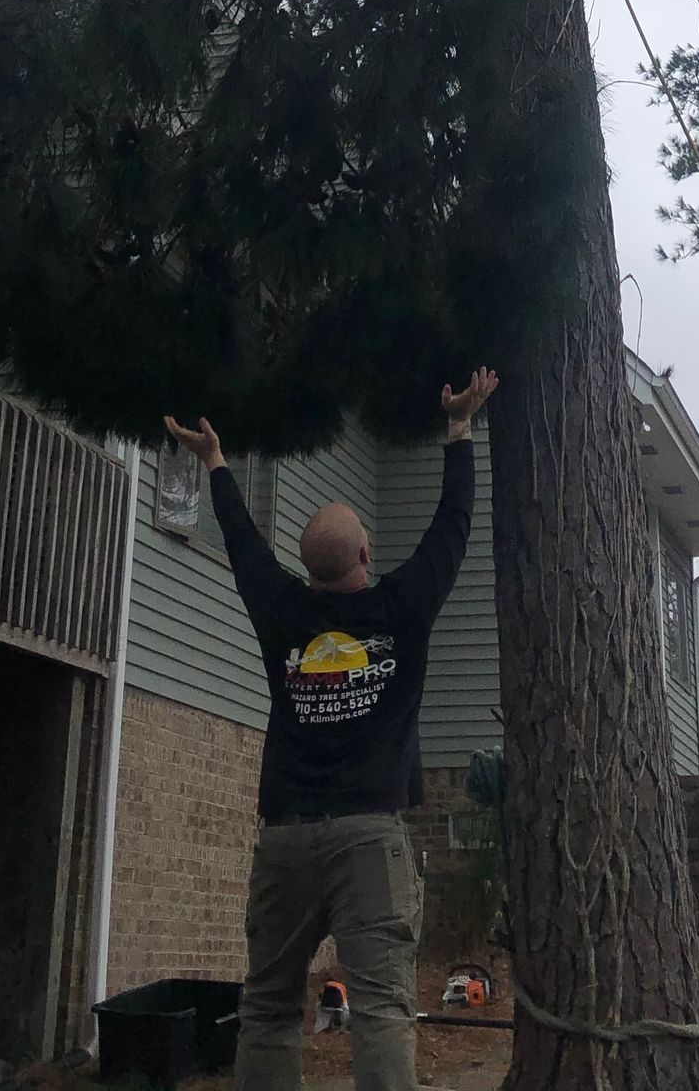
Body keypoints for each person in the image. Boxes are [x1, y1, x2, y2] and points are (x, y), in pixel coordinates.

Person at [164, 368, 498, 1091]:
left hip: (284, 839)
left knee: (268, 1007)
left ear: (308, 571)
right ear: (366, 558)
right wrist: (459, 429)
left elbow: (245, 542)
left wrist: (217, 463)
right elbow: (452, 527)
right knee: (381, 1009)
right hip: (369, 839)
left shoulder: (281, 611)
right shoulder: (402, 609)